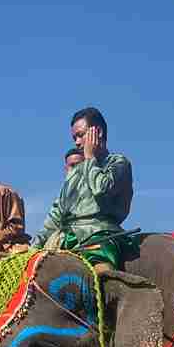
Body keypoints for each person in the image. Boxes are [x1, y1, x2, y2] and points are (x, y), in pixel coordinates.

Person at [31, 107, 134, 270]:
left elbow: (102, 189)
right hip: (67, 238)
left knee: (102, 274)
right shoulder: (75, 173)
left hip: (100, 235)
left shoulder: (118, 163)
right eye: (74, 138)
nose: (77, 142)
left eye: (80, 135)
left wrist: (90, 158)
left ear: (98, 132)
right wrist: (33, 249)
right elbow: (56, 215)